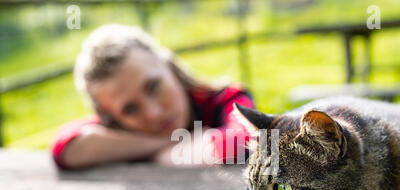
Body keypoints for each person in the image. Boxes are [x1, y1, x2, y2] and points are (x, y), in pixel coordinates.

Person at [51, 24, 255, 169]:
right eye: (130, 109)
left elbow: (248, 139)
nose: (154, 112)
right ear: (113, 118)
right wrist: (171, 147)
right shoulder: (119, 128)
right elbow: (67, 147)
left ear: (169, 67)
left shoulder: (226, 99)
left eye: (154, 86)